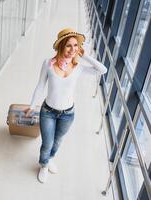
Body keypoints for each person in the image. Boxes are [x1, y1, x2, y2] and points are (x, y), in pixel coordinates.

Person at [24, 28, 107, 183]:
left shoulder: (78, 67)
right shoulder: (48, 64)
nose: (73, 49)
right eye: (69, 45)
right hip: (48, 112)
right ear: (61, 46)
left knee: (57, 141)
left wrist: (86, 56)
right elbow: (40, 86)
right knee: (47, 143)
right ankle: (43, 164)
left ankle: (50, 159)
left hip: (68, 114)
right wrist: (32, 105)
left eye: (76, 46)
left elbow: (102, 70)